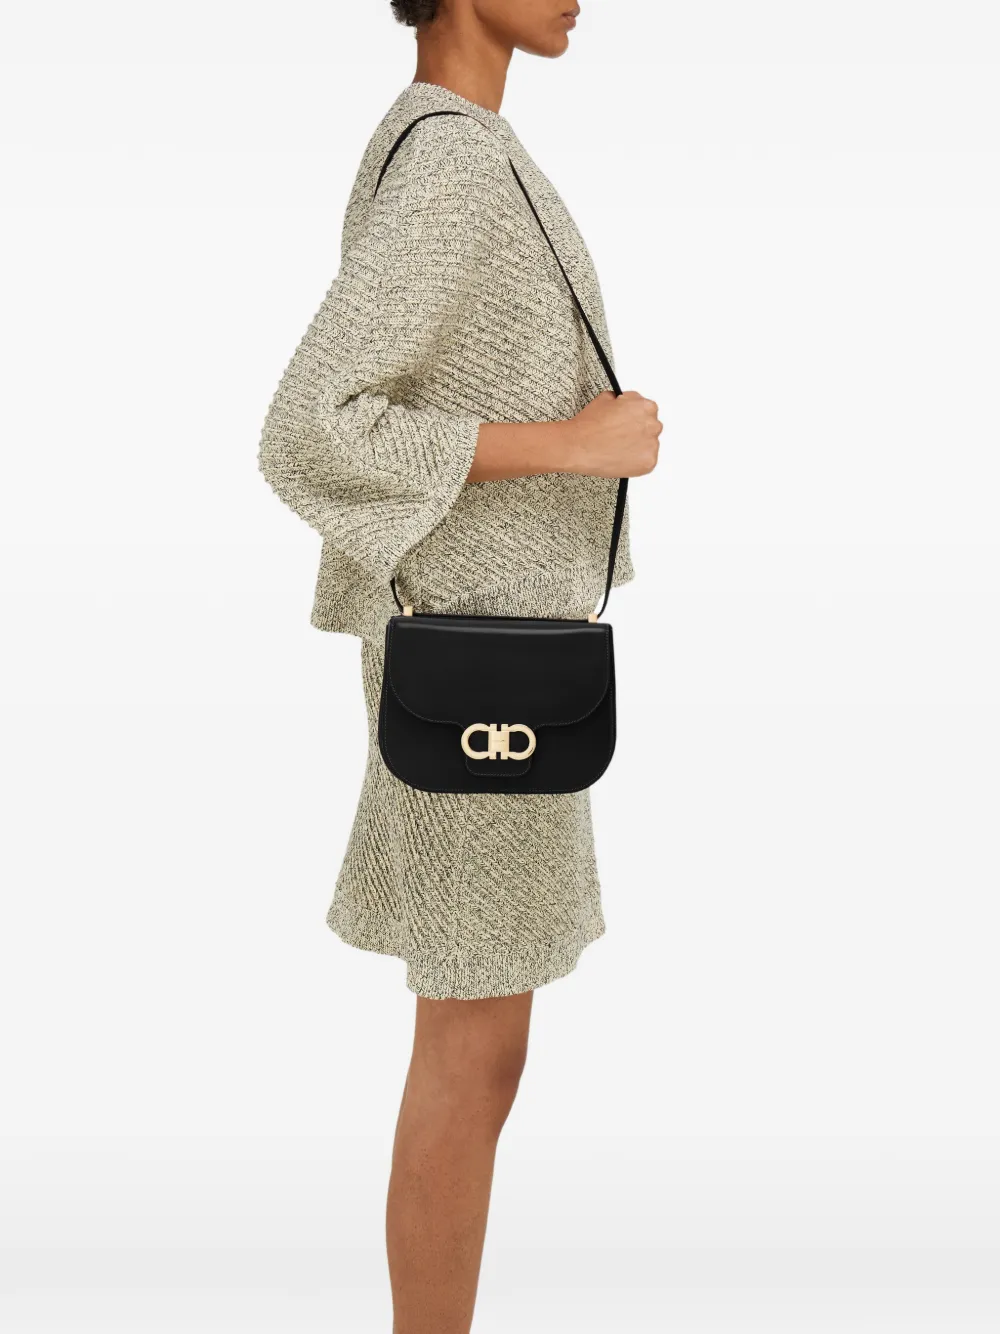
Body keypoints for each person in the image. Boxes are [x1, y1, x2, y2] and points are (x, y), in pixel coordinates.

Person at [258, 2, 661, 1329]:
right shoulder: (451, 162)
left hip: (488, 660)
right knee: (473, 1042)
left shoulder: (444, 144)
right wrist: (572, 444)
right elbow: (312, 427)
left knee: (479, 1043)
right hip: (486, 675)